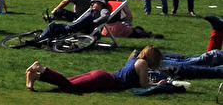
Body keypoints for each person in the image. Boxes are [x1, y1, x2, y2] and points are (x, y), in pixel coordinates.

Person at [25, 47, 163, 93]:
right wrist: (158, 84)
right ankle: (40, 68)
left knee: (65, 84)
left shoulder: (135, 58)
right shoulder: (143, 63)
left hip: (103, 75)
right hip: (106, 80)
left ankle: (35, 76)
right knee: (70, 87)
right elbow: (143, 85)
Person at [37, 0, 111, 44]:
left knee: (53, 26)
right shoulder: (92, 11)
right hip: (76, 26)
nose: (92, 5)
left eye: (94, 3)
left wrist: (93, 22)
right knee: (52, 25)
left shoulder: (103, 10)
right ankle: (42, 38)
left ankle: (40, 40)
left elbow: (105, 17)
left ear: (101, 4)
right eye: (92, 3)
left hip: (79, 29)